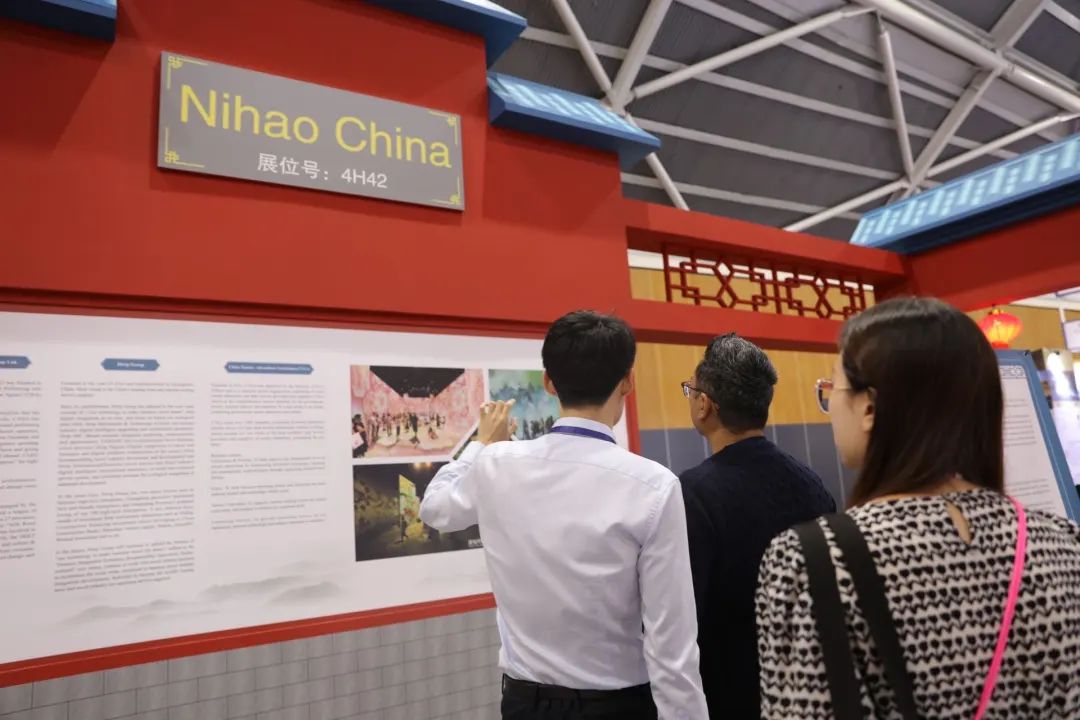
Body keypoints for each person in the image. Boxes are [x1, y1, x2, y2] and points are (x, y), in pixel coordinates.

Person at [756, 297, 1080, 718]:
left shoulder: (814, 562)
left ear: (869, 407)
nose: (830, 404)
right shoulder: (1065, 544)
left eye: (832, 387)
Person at [420, 310, 708, 720]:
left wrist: (481, 445)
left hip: (524, 704)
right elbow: (671, 643)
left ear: (549, 382)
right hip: (618, 707)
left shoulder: (497, 464)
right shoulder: (653, 486)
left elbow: (434, 508)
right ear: (628, 381)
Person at [679, 334, 835, 718]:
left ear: (704, 405)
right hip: (806, 689)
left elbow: (683, 615)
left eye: (690, 391)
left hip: (727, 695)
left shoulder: (693, 493)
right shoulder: (812, 483)